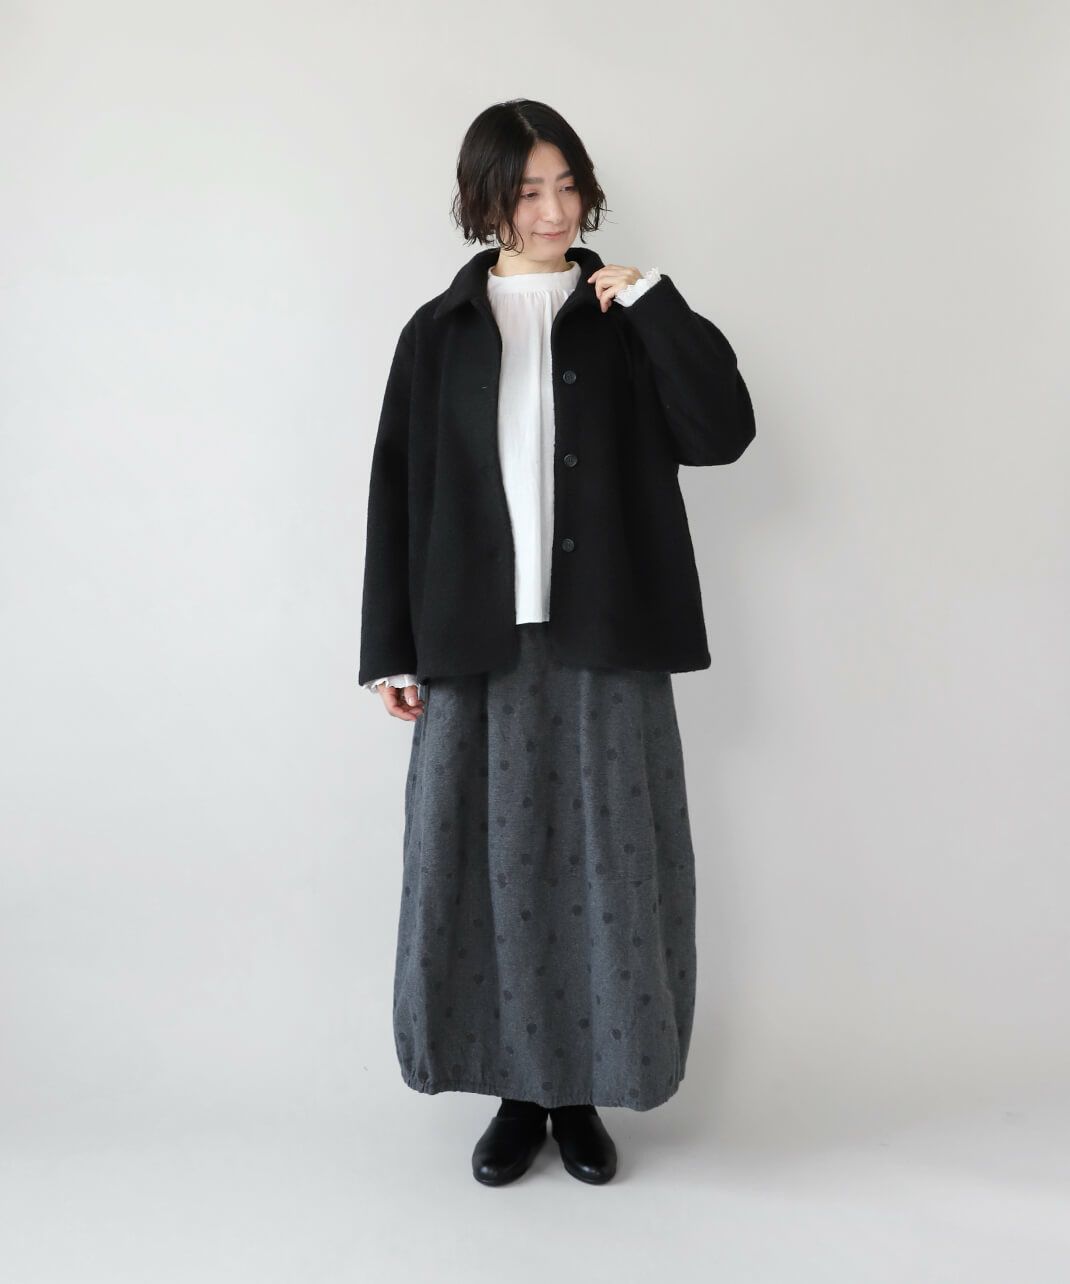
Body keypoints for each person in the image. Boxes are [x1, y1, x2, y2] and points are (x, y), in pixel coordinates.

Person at [358, 98, 756, 1186]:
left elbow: (721, 432)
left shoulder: (624, 315)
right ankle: (514, 1092)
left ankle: (582, 1093)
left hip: (605, 633)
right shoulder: (437, 332)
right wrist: (391, 648)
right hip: (472, 641)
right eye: (528, 190)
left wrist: (659, 305)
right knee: (483, 866)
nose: (552, 210)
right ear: (484, 199)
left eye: (566, 185)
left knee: (608, 862)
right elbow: (397, 491)